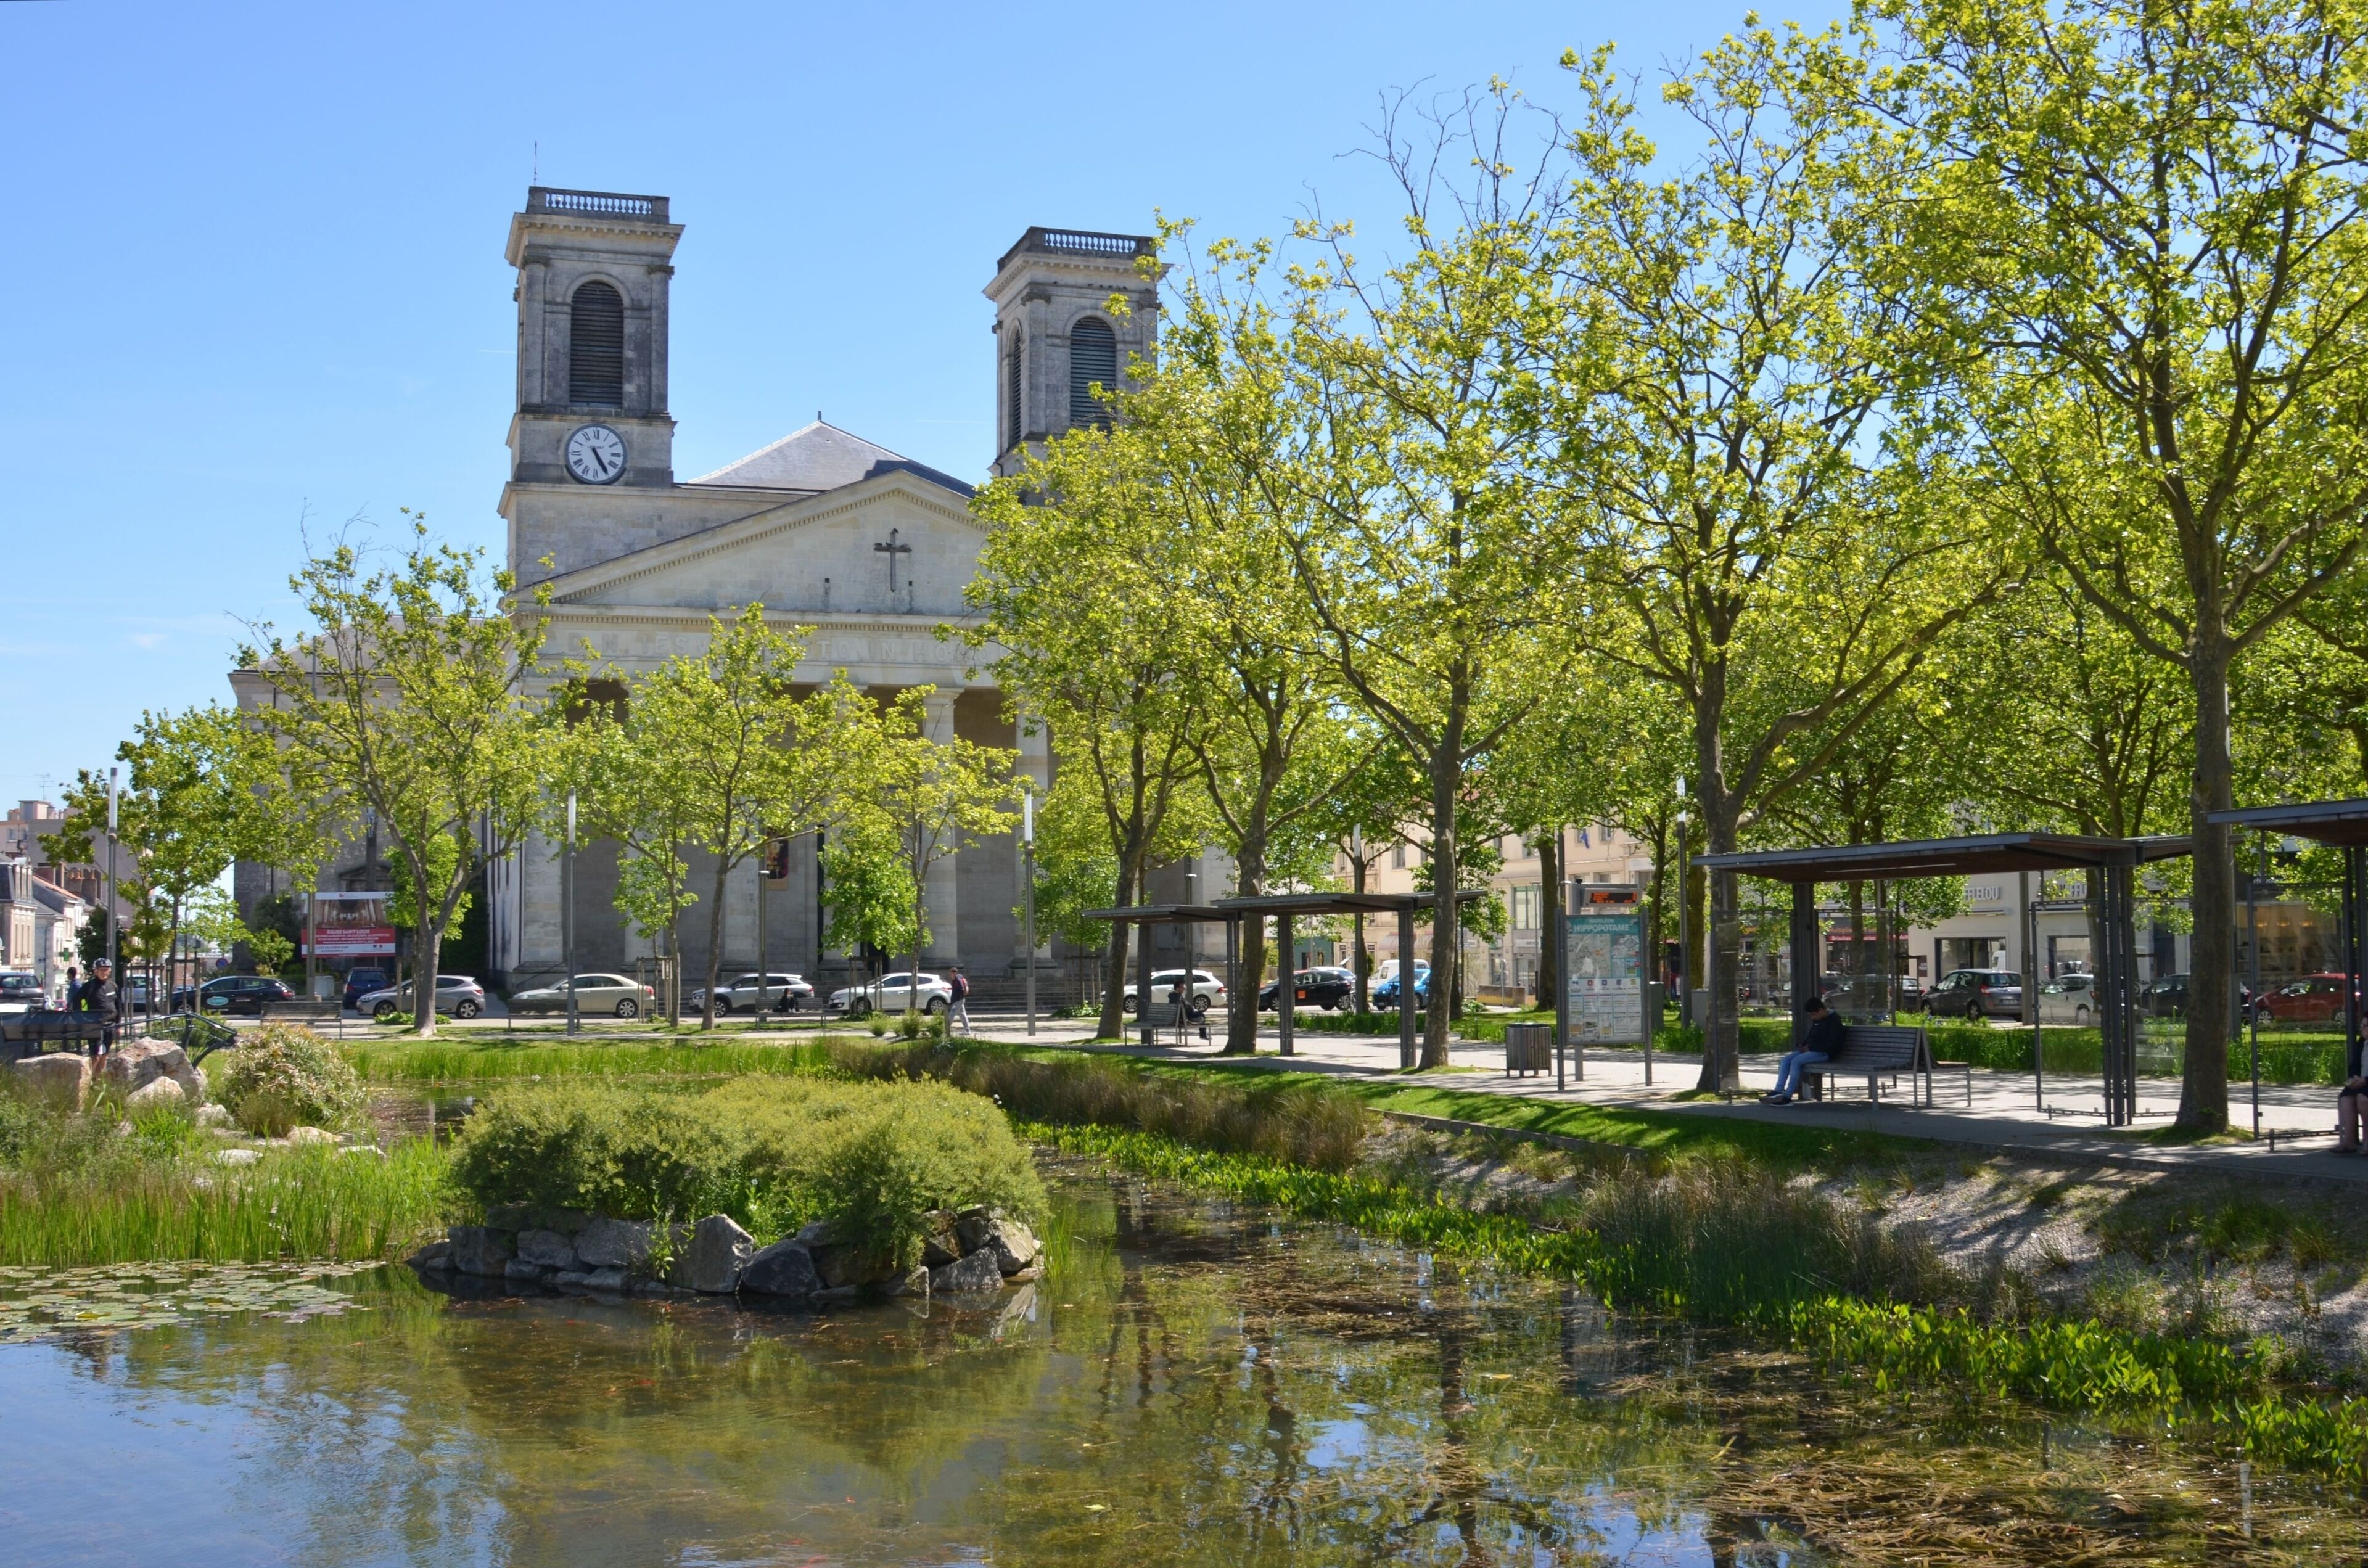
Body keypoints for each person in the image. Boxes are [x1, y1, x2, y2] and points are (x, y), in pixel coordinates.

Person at [1764, 996, 1844, 1106]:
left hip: (1825, 1053)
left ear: (1821, 1010)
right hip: (1812, 1050)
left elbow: (1833, 1043)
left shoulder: (1834, 1021)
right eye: (1811, 1015)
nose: (1812, 1017)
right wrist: (1804, 1044)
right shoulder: (1818, 1020)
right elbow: (1812, 1036)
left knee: (1796, 1062)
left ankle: (1788, 1096)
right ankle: (1778, 1091)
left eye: (1814, 1014)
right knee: (1785, 1060)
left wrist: (1811, 1048)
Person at [75, 956, 119, 1064]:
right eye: (102, 970)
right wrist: (82, 1018)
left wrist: (119, 1025)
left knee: (105, 1055)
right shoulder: (89, 986)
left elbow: (118, 1005)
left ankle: (98, 1078)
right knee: (95, 1056)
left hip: (111, 1024)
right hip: (94, 1024)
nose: (104, 972)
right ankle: (92, 1078)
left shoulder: (113, 986)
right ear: (96, 971)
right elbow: (75, 1001)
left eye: (107, 970)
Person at [2338, 1072, 2368, 1153]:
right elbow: (2354, 1066)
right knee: (2346, 1098)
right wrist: (2354, 1078)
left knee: (2363, 1099)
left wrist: (2365, 1080)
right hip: (2362, 1082)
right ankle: (2349, 1141)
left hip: (2365, 1081)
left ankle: (2367, 1141)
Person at [947, 964, 971, 1036]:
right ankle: (967, 1030)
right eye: (950, 974)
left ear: (955, 973)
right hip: (960, 1000)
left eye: (951, 974)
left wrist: (958, 998)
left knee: (951, 1015)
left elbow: (962, 989)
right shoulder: (956, 980)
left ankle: (946, 1030)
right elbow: (957, 989)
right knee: (963, 1015)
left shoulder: (958, 980)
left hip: (958, 1001)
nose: (950, 975)